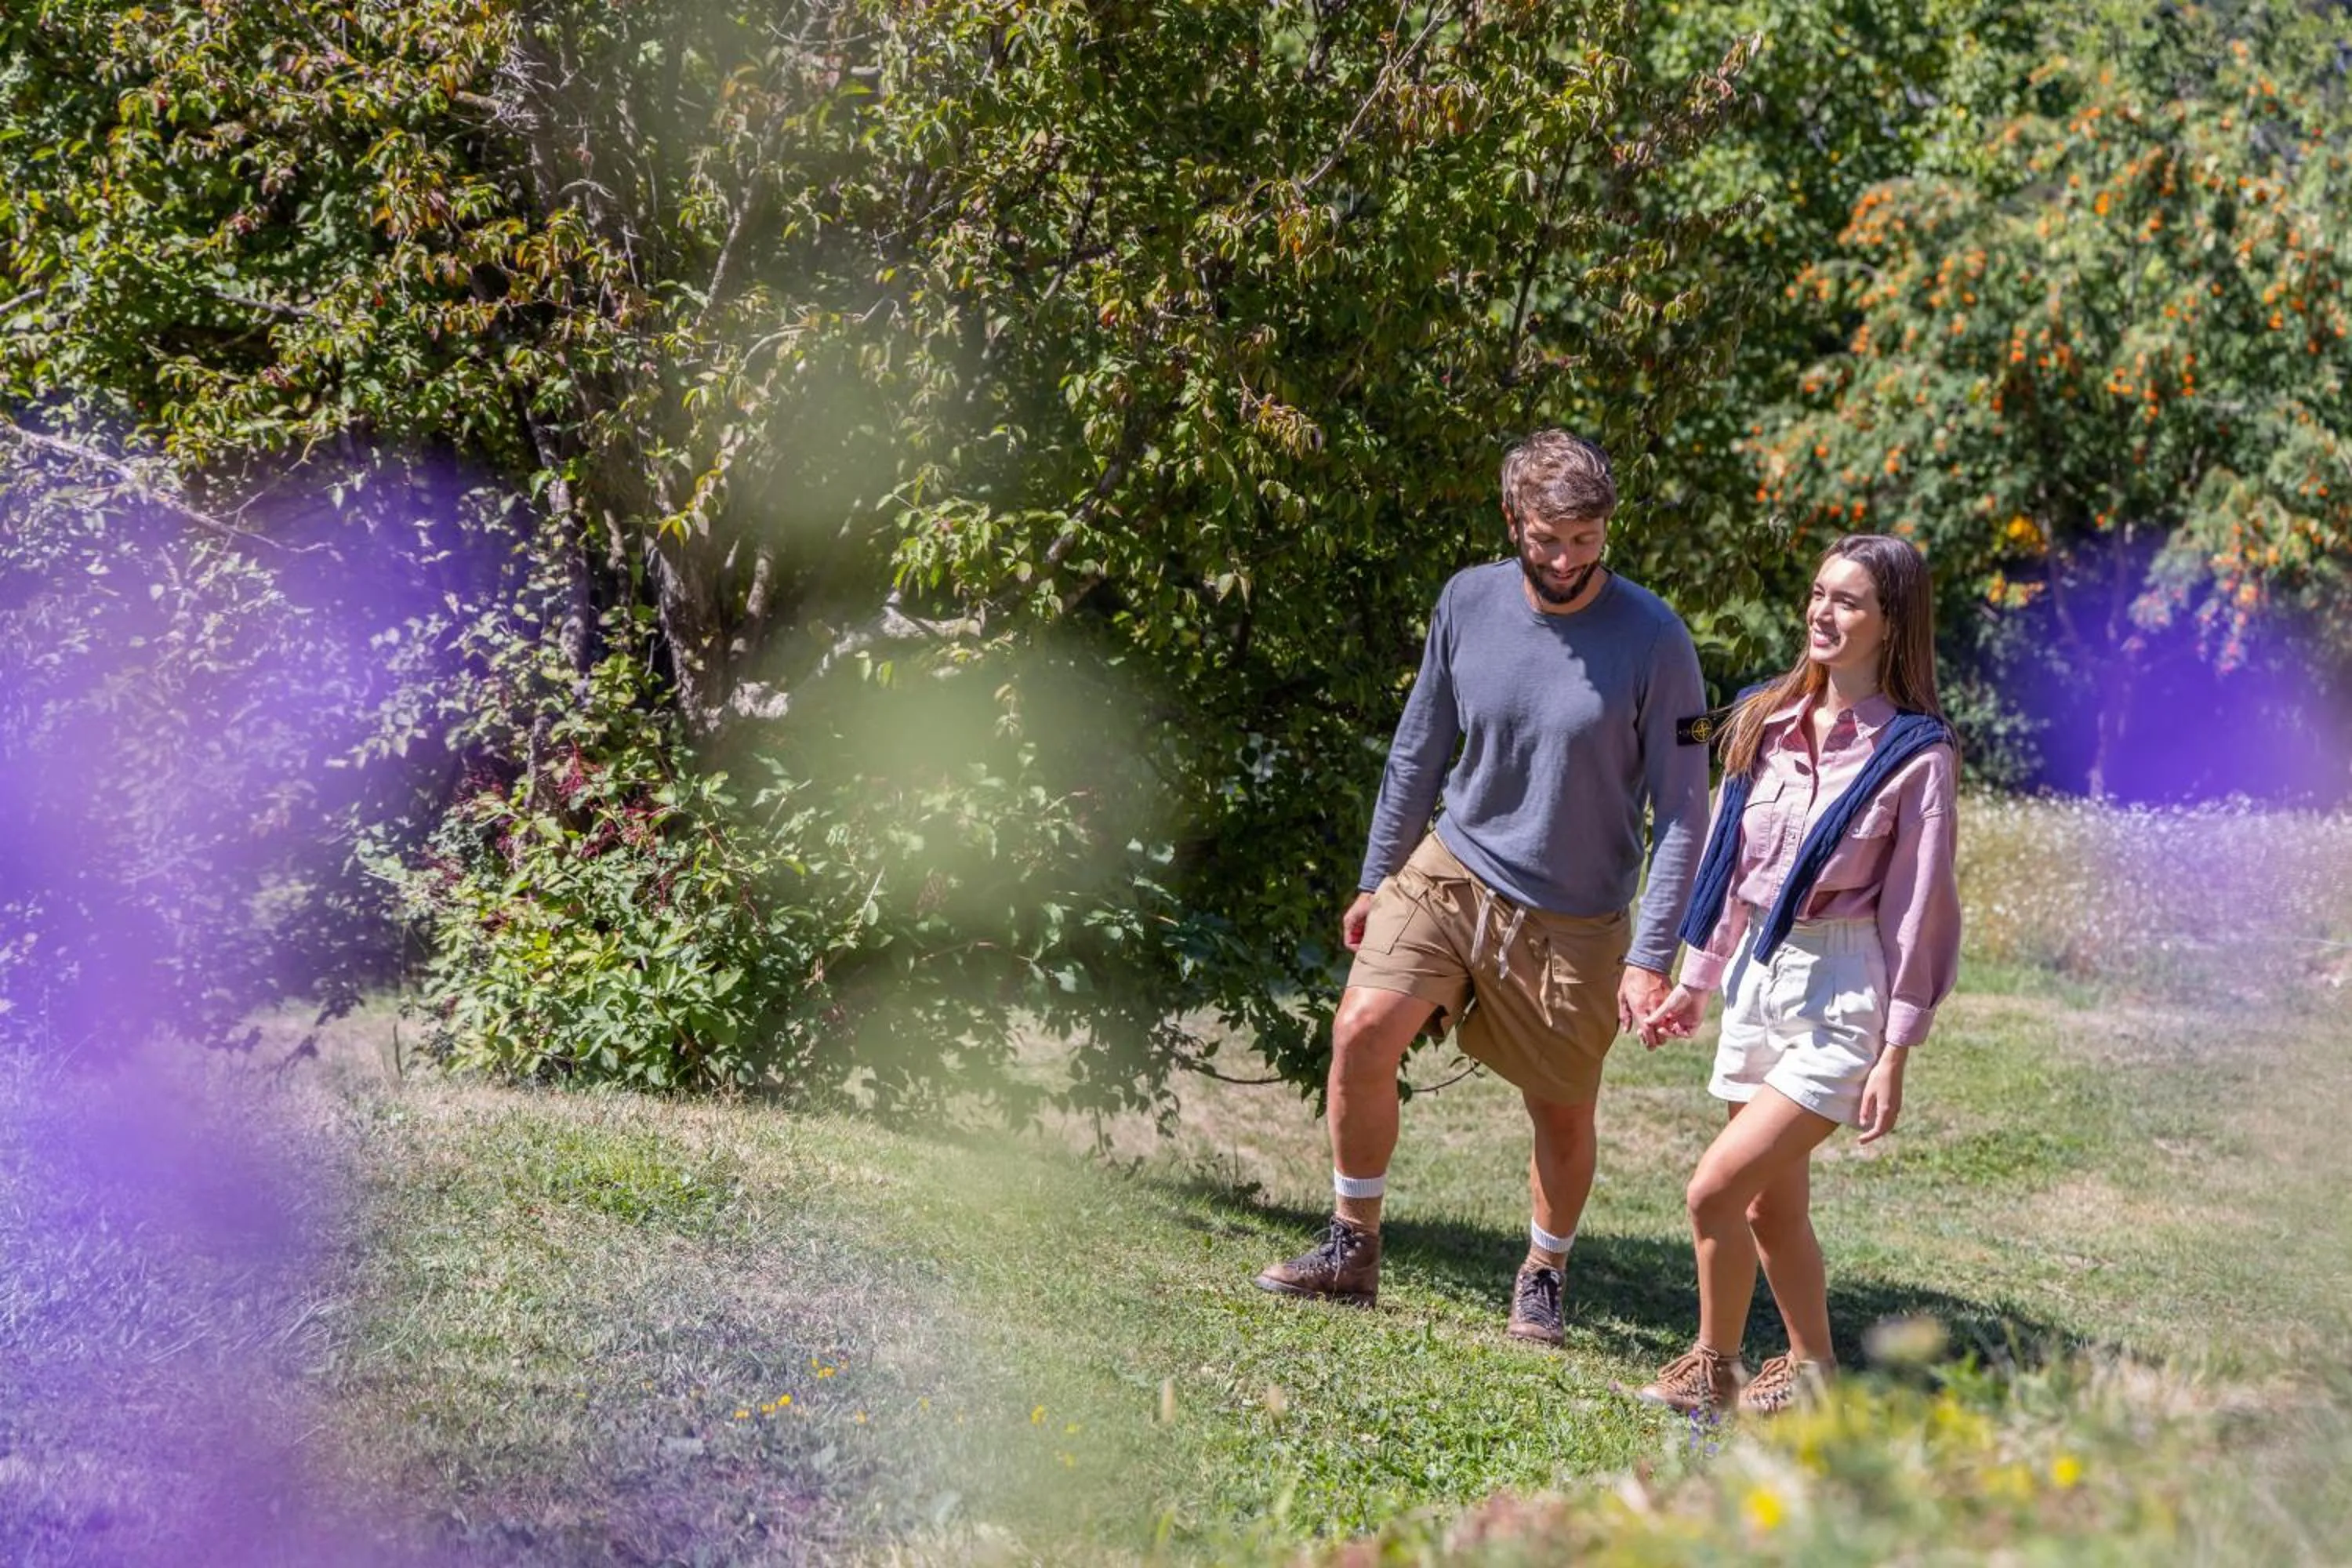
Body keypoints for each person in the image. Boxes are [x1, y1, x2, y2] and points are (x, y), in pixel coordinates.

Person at [1253, 430, 1712, 1346]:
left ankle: (1544, 1271)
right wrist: (1378, 874)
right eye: (1547, 538)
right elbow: (1420, 747)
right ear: (1513, 520)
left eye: (1585, 541)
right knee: (1360, 1029)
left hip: (1576, 914)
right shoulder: (1467, 600)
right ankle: (1351, 1246)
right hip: (1453, 865)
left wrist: (1652, 952)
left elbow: (1687, 810)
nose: (1567, 560)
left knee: (1561, 1109)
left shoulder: (1655, 639)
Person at [1632, 532, 1960, 1416]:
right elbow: (1729, 866)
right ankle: (1814, 1374)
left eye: (1849, 600)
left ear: (1892, 623)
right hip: (1757, 973)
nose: (1824, 611)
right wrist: (1694, 981)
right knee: (1769, 1210)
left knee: (1713, 1188)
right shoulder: (1762, 718)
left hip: (1842, 984)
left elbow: (1918, 911)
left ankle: (1714, 1366)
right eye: (1820, 593)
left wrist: (1896, 1049)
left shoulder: (1917, 754)